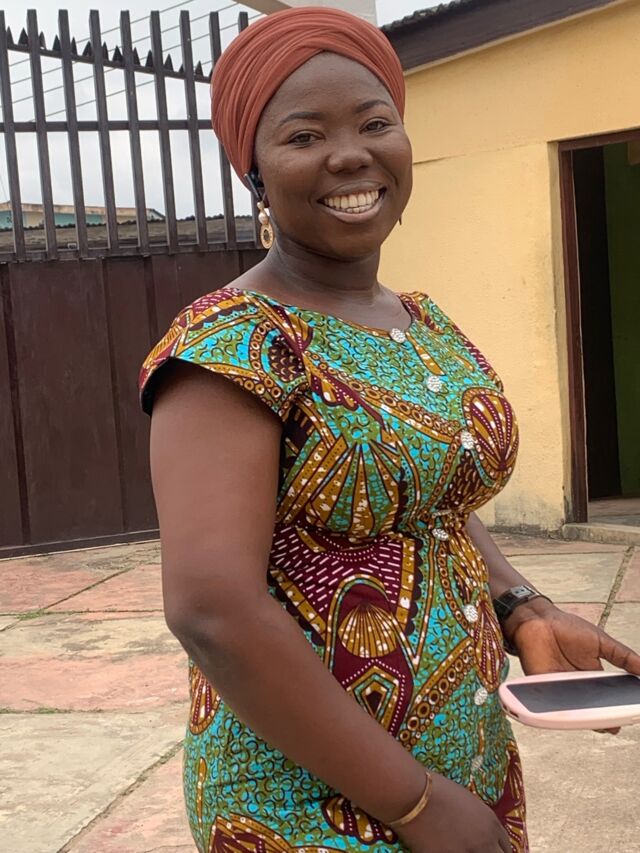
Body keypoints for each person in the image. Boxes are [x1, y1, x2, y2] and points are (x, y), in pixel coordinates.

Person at [139, 8, 640, 852]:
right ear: (254, 171)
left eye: (375, 123)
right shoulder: (231, 344)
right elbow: (212, 609)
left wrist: (521, 606)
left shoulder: (420, 322)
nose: (350, 154)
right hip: (305, 797)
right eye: (304, 135)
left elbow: (431, 496)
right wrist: (416, 804)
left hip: (462, 757)